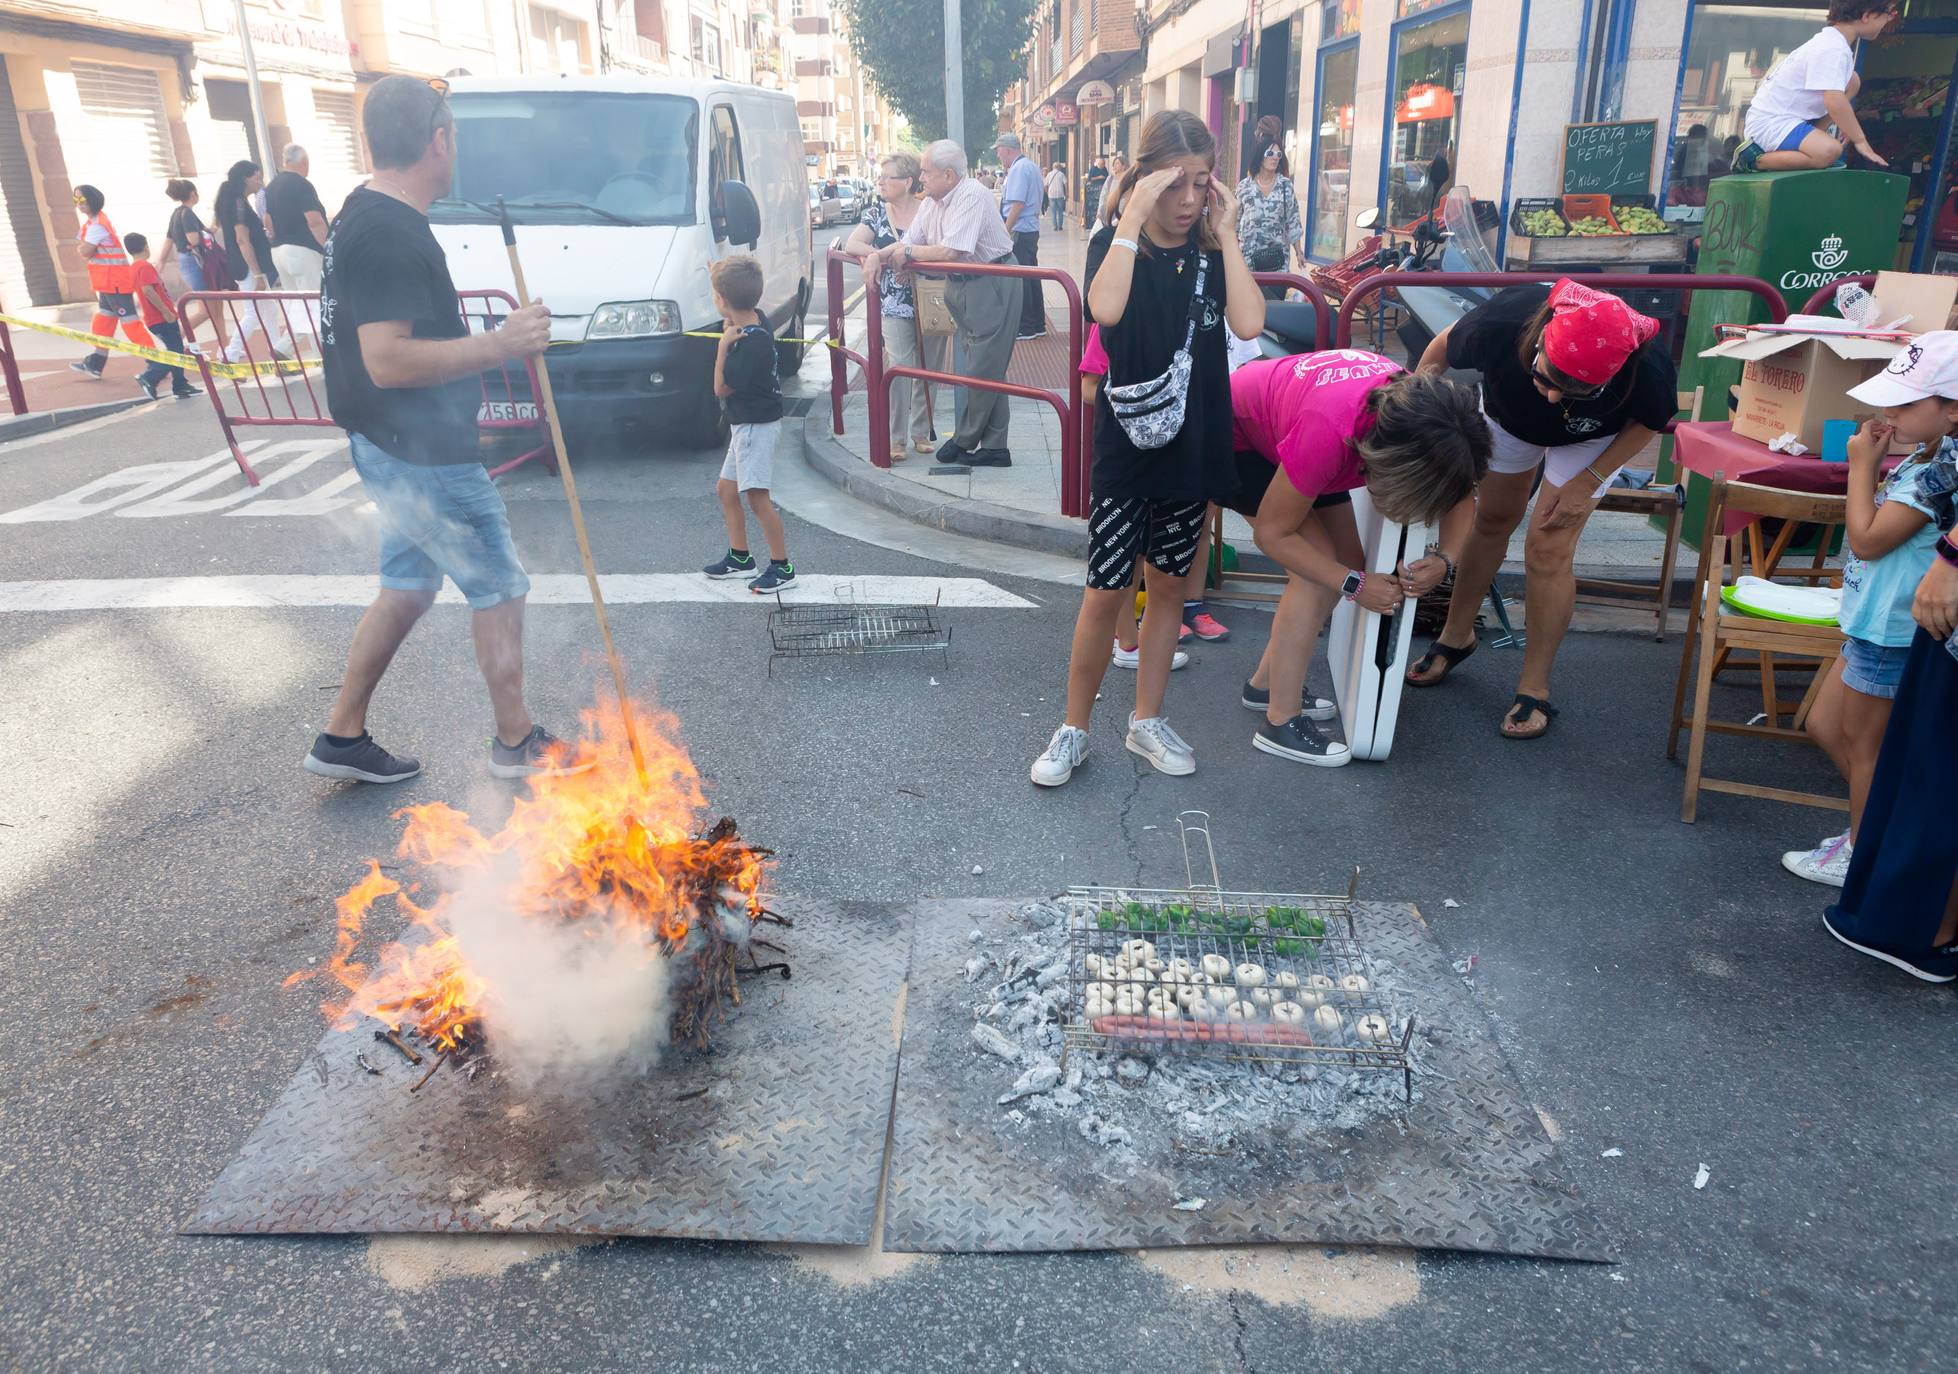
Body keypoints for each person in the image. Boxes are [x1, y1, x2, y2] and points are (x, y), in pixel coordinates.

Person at [307, 75, 577, 785]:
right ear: (438, 141)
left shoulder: (364, 213)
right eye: (452, 133)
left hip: (393, 443)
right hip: (418, 452)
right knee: (500, 583)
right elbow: (387, 360)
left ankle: (340, 736)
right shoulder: (389, 231)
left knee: (408, 585)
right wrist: (504, 342)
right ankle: (516, 743)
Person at [1030, 110, 1264, 788]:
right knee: (1105, 588)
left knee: (1167, 587)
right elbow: (1103, 311)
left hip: (1192, 445)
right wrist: (1130, 219)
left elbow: (1248, 321)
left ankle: (1146, 721)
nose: (1189, 200)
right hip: (1126, 448)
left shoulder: (1213, 249)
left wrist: (1231, 238)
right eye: (1174, 185)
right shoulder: (1114, 241)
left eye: (1201, 183)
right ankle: (1073, 729)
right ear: (1145, 180)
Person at [1405, 278, 1677, 740]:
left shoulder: (1645, 363)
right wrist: (1410, 415)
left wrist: (1587, 481)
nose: (1553, 395)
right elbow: (1440, 350)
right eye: (1547, 378)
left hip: (1591, 438)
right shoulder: (1504, 319)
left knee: (1549, 546)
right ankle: (1456, 635)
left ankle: (1535, 685)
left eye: (1574, 388)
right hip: (1509, 417)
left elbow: (1651, 421)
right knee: (1492, 519)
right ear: (1541, 339)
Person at [1230, 352, 1487, 765]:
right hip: (1237, 437)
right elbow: (1272, 534)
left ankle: (1264, 687)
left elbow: (1460, 492)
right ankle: (1279, 722)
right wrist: (1355, 584)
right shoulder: (1330, 430)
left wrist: (1445, 561)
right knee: (1316, 574)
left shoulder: (1434, 423)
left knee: (1345, 559)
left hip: (1301, 425)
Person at [1783, 334, 1958, 887]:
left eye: (1907, 404)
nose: (1891, 411)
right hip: (1876, 623)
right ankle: (1879, 830)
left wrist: (1861, 467)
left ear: (1953, 410)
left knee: (1866, 747)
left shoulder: (1939, 470)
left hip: (1891, 630)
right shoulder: (1934, 453)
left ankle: (1866, 853)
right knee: (1826, 725)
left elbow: (1867, 540)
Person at [872, 140, 1022, 469]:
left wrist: (906, 255)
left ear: (949, 175)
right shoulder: (933, 201)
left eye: (926, 171)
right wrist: (877, 257)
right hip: (962, 285)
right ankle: (996, 447)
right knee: (986, 363)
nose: (920, 177)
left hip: (991, 281)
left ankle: (965, 439)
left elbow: (954, 250)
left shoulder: (971, 195)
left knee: (982, 366)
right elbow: (910, 240)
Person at [701, 256, 794, 593]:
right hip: (747, 424)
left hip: (756, 426)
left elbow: (720, 388)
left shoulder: (745, 343)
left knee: (757, 497)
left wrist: (722, 348)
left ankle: (782, 566)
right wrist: (720, 274)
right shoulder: (757, 320)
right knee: (726, 490)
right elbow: (736, 295)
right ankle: (740, 557)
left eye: (714, 292)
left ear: (722, 301)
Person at [844, 153, 943, 463]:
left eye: (888, 177)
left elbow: (945, 245)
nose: (881, 182)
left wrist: (910, 256)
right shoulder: (875, 213)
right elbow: (852, 244)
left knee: (931, 368)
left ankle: (920, 432)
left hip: (932, 296)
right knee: (900, 367)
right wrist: (882, 255)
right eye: (881, 177)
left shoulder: (930, 209)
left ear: (908, 182)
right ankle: (895, 437)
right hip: (894, 302)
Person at [1734, 1, 1898, 172]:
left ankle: (1814, 138)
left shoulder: (1833, 43)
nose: (1889, 20)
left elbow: (1840, 94)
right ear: (1867, 15)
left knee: (1852, 81)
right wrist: (1860, 140)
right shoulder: (1833, 49)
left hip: (1787, 120)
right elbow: (1833, 100)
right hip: (1772, 123)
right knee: (1829, 151)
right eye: (1890, 13)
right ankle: (1755, 160)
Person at [66, 184, 156, 378]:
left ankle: (157, 362)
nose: (79, 204)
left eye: (82, 200)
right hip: (108, 283)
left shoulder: (98, 225)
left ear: (92, 199)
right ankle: (96, 362)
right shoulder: (95, 222)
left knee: (130, 322)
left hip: (115, 282)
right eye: (76, 201)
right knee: (104, 320)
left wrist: (82, 249)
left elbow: (86, 251)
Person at [214, 160, 295, 365]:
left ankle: (278, 357)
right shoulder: (238, 203)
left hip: (246, 266)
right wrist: (258, 273)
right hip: (249, 267)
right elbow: (242, 239)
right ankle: (231, 354)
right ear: (245, 179)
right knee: (254, 313)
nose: (260, 182)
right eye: (256, 178)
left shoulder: (234, 201)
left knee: (268, 311)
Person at [124, 234, 199, 401]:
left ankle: (180, 385)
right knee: (174, 353)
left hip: (156, 318)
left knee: (176, 350)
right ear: (145, 247)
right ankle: (150, 377)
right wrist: (165, 311)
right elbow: (148, 291)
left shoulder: (134, 267)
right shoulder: (144, 266)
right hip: (160, 318)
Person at [1235, 115, 1303, 300]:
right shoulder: (1244, 187)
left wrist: (1299, 253)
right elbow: (1234, 222)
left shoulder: (1285, 186)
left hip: (1277, 263)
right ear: (1260, 155)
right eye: (1270, 153)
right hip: (1248, 261)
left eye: (1278, 154)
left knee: (1273, 311)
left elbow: (1293, 221)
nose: (1275, 158)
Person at [996, 133, 1046, 341]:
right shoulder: (1031, 166)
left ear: (1007, 149)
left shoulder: (1017, 169)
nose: (999, 156)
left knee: (1021, 278)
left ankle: (1026, 327)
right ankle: (1037, 323)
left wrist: (1005, 230)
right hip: (1030, 228)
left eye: (999, 151)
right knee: (1031, 276)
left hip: (1020, 229)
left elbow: (1017, 204)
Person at [266, 143, 329, 292]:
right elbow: (314, 222)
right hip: (303, 250)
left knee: (294, 304)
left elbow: (267, 220)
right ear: (304, 162)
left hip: (278, 251)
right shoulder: (301, 184)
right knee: (314, 302)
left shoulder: (271, 186)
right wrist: (329, 248)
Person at [1082, 156, 1109, 230]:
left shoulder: (1104, 169)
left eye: (1103, 164)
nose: (1103, 165)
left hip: (1102, 188)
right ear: (1098, 163)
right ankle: (1090, 224)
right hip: (1093, 189)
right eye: (1101, 164)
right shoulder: (1093, 169)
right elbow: (1090, 178)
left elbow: (1107, 177)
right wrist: (1099, 177)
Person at [1045, 161, 1067, 231]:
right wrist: (1066, 193)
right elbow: (1065, 184)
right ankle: (1060, 226)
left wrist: (1047, 192)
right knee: (1060, 211)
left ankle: (1055, 226)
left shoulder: (1049, 174)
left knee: (1053, 211)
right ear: (1059, 167)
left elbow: (1045, 185)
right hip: (1060, 194)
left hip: (1051, 195)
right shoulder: (1061, 174)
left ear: (1053, 167)